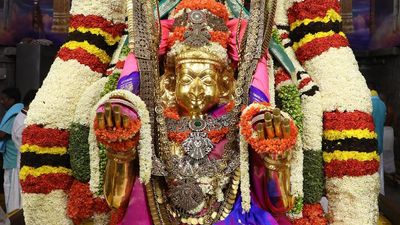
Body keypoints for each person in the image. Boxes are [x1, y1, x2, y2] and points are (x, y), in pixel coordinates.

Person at [0, 87, 23, 214]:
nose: (2, 102)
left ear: (12, 100)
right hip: (10, 158)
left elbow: (2, 134)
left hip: (14, 160)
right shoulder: (14, 112)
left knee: (12, 194)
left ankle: (12, 217)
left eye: (4, 99)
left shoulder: (15, 114)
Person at [370, 89, 387, 195]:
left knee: (371, 169)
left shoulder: (369, 104)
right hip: (380, 139)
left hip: (370, 141)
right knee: (379, 169)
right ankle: (380, 191)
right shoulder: (383, 105)